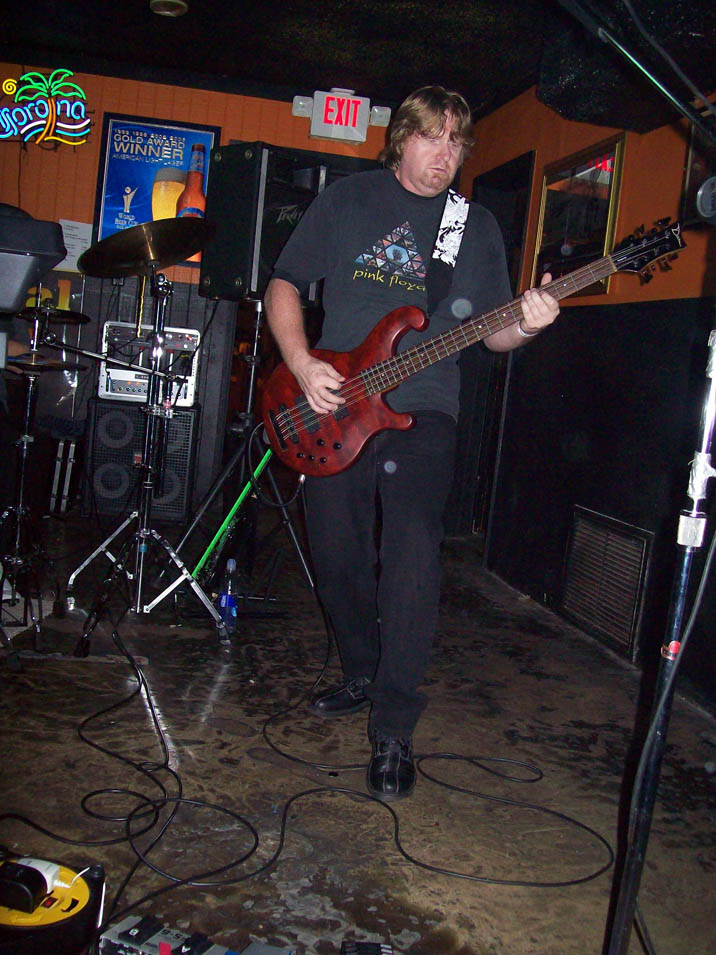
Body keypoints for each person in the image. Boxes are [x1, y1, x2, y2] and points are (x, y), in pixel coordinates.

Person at [264, 85, 559, 801]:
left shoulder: (472, 226)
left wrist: (529, 322)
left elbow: (494, 334)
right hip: (335, 403)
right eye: (432, 137)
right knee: (336, 556)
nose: (445, 154)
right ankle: (363, 670)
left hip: (423, 410)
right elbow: (284, 284)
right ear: (402, 139)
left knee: (412, 549)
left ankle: (394, 724)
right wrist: (301, 364)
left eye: (457, 141)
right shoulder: (347, 200)